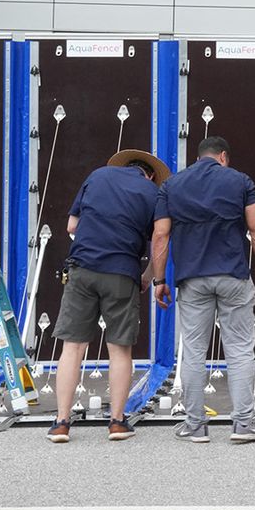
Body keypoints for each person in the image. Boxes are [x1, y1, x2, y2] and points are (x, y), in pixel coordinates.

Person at [150, 136, 255, 444]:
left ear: (198, 157)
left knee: (193, 350)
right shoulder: (240, 181)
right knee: (240, 349)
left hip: (192, 279)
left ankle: (195, 425)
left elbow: (161, 235)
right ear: (223, 157)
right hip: (233, 274)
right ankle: (243, 424)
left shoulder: (171, 185)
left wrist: (160, 280)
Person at [47, 148, 169, 444]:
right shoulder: (153, 193)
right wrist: (150, 277)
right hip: (122, 272)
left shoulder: (97, 176)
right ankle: (116, 422)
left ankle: (61, 423)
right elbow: (159, 239)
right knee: (119, 350)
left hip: (82, 267)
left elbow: (72, 226)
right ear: (150, 175)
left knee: (72, 347)